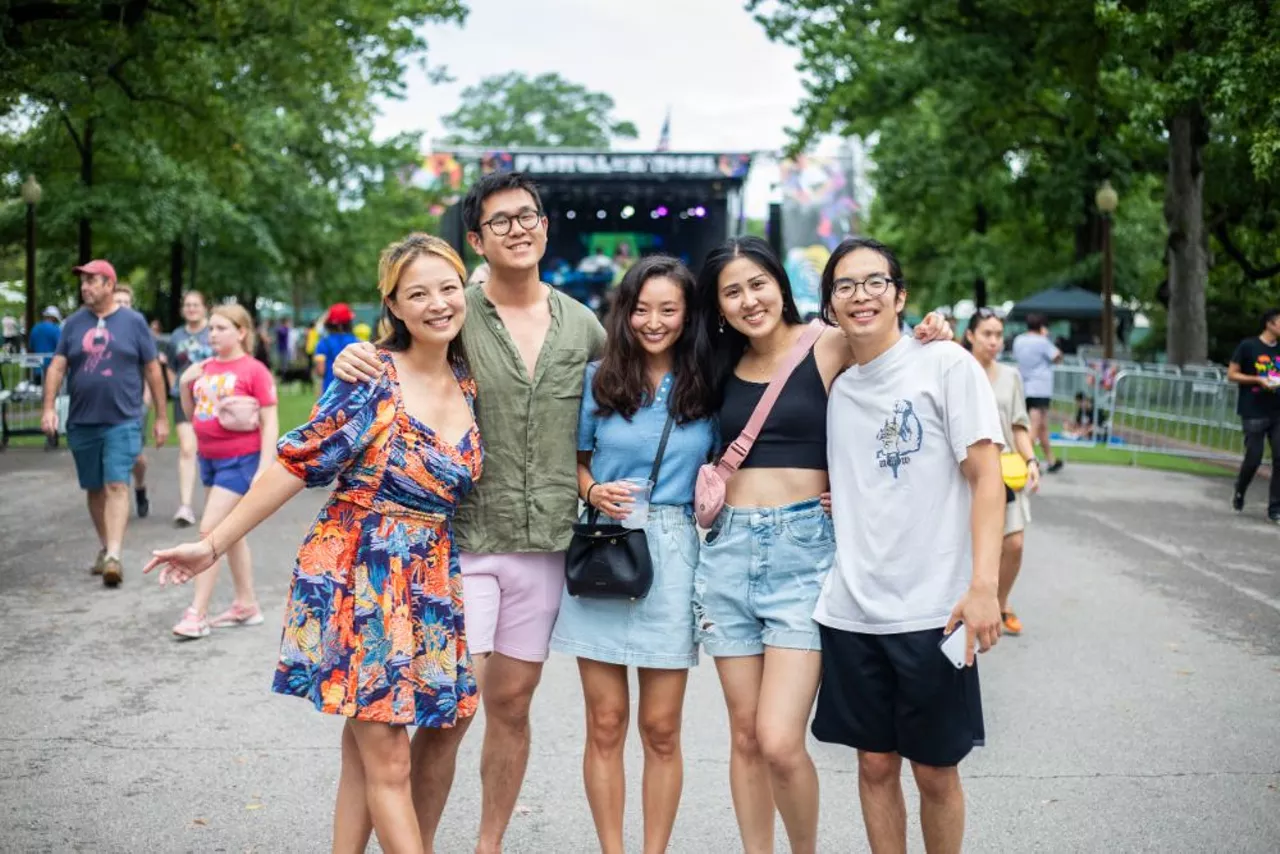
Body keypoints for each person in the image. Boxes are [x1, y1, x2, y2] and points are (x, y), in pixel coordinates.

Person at [146, 233, 480, 854]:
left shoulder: (468, 381)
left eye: (448, 288)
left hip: (428, 578)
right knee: (388, 762)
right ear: (394, 307)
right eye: (418, 293)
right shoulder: (371, 377)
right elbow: (292, 463)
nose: (437, 303)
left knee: (369, 754)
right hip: (360, 571)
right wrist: (212, 543)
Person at [333, 173, 606, 853]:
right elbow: (396, 360)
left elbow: (633, 399)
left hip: (544, 542)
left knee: (512, 706)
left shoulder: (585, 326)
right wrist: (353, 354)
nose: (518, 228)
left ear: (546, 226)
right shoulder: (453, 312)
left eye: (528, 216)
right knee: (451, 712)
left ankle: (488, 844)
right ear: (477, 240)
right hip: (461, 541)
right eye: (500, 220)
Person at [691, 236, 952, 854]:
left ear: (781, 286)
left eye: (758, 284)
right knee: (746, 737)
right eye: (732, 291)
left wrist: (933, 330)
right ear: (719, 306)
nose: (748, 300)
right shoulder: (715, 361)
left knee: (780, 739)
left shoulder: (825, 343)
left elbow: (896, 354)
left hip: (804, 553)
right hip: (727, 553)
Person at [812, 237, 1005, 854]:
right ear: (831, 305)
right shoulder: (838, 387)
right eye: (845, 286)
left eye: (875, 282)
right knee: (873, 766)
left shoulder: (946, 365)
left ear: (900, 295)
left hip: (933, 611)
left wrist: (984, 587)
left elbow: (987, 480)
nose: (860, 295)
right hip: (852, 610)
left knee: (935, 771)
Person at [549, 256, 715, 853]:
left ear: (689, 314)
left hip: (673, 549)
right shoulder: (599, 379)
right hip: (604, 546)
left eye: (668, 309)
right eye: (641, 308)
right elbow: (571, 458)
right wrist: (592, 489)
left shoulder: (709, 380)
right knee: (606, 721)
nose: (653, 321)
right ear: (624, 311)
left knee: (661, 728)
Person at [39, 259, 169, 587]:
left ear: (110, 285)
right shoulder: (72, 324)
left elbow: (153, 369)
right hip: (82, 420)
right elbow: (57, 366)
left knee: (116, 484)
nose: (85, 287)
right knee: (94, 488)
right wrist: (48, 408)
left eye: (92, 281)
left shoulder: (133, 322)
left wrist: (162, 418)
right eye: (83, 282)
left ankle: (114, 554)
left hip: (122, 419)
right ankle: (104, 546)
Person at [169, 304, 279, 640]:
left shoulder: (255, 371)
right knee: (232, 535)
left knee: (210, 532)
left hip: (240, 462)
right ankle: (246, 605)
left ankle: (197, 614)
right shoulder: (203, 367)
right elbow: (191, 413)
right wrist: (186, 385)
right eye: (211, 329)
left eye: (220, 328)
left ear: (241, 332)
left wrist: (264, 467)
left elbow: (270, 421)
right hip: (210, 461)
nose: (212, 334)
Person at [965, 309, 1041, 636]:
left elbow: (1019, 425)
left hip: (1005, 468)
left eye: (999, 335)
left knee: (1014, 544)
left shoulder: (1011, 377)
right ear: (970, 335)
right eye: (987, 334)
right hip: (965, 471)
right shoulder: (956, 369)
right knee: (969, 544)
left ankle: (1000, 602)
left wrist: (1031, 461)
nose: (994, 341)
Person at [1227, 307, 1280, 522]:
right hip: (1254, 410)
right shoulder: (1248, 346)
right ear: (1270, 324)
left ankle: (1275, 506)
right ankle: (1240, 488)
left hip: (1278, 411)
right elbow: (1231, 374)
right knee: (1254, 457)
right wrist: (1257, 380)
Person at [167, 291, 213, 527]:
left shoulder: (213, 331)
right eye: (187, 305)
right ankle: (185, 505)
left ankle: (214, 504)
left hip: (212, 398)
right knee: (187, 448)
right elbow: (172, 368)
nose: (192, 308)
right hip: (182, 398)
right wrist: (177, 387)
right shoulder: (176, 336)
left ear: (205, 307)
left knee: (211, 450)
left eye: (196, 304)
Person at [112, 284, 152, 518]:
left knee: (136, 456)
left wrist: (147, 396)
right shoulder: (102, 332)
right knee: (116, 456)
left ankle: (139, 487)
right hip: (109, 404)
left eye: (126, 303)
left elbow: (150, 368)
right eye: (118, 302)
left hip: (134, 403)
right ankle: (118, 501)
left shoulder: (138, 332)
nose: (122, 307)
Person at [1012, 312, 1063, 472]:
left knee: (1042, 426)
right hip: (1040, 387)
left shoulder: (1019, 340)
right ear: (1041, 326)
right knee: (1035, 426)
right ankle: (1026, 459)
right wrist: (1046, 337)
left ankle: (1051, 459)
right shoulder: (1042, 341)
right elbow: (1057, 356)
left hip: (1025, 385)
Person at [312, 303, 360, 394]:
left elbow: (321, 371)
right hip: (354, 393)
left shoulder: (323, 343)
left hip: (330, 394)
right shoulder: (357, 342)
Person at [28, 306, 62, 384]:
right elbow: (61, 347)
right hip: (52, 369)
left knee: (38, 393)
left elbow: (31, 348)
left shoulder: (35, 328)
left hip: (37, 368)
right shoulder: (56, 329)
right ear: (53, 318)